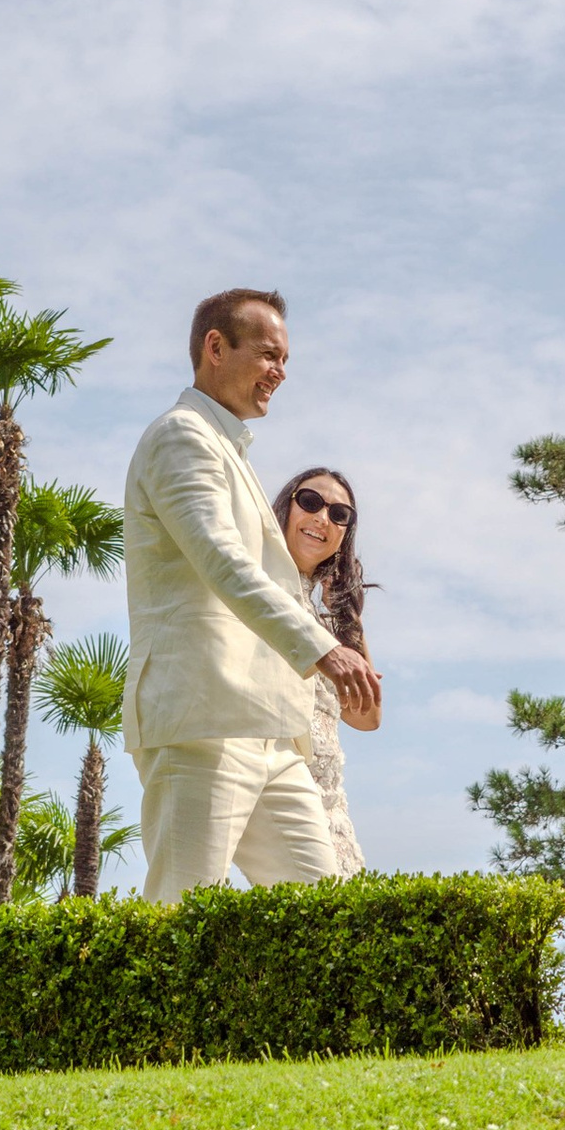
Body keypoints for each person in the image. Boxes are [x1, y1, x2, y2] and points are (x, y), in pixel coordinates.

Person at [122, 287, 383, 905]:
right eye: (269, 355)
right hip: (203, 724)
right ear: (216, 347)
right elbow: (222, 559)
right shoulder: (180, 437)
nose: (280, 373)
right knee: (178, 921)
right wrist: (324, 648)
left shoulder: (229, 448)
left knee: (329, 920)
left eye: (285, 360)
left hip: (275, 737)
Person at [271, 463, 376, 875]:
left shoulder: (322, 620)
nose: (321, 518)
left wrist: (348, 618)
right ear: (284, 509)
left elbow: (367, 717)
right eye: (311, 502)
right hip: (277, 786)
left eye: (339, 514)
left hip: (330, 803)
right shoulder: (255, 590)